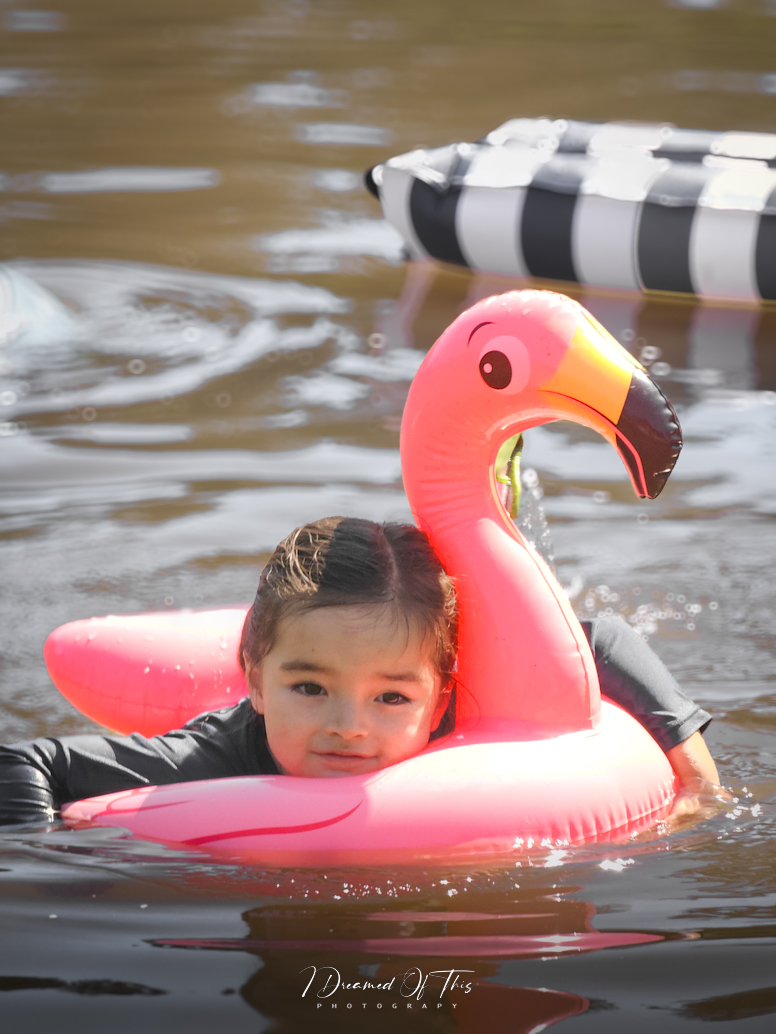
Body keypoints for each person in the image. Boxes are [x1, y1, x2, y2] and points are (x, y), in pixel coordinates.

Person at [0, 516, 719, 828]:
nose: (349, 726)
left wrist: (694, 775)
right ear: (253, 676)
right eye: (308, 688)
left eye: (391, 697)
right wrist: (41, 868)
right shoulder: (210, 758)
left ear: (443, 690)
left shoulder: (464, 709)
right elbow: (31, 761)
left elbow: (598, 641)